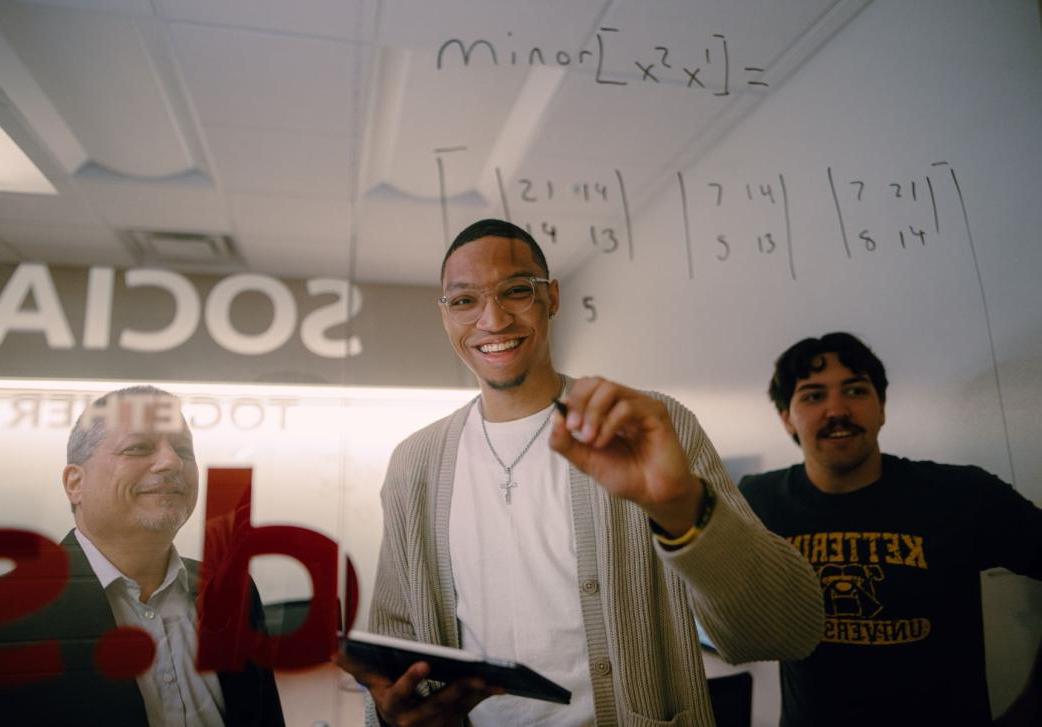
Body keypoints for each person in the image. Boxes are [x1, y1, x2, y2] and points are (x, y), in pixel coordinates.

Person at [338, 218, 823, 726]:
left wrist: (681, 509)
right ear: (445, 316)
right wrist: (391, 713)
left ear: (551, 298)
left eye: (516, 291)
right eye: (464, 301)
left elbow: (787, 631)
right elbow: (395, 648)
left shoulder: (647, 427)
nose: (492, 319)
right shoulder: (415, 462)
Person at [738, 332, 1042, 727]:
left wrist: (1032, 705)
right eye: (813, 396)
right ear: (786, 418)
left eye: (855, 390)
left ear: (881, 407)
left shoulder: (962, 494)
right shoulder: (756, 501)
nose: (837, 410)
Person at [0, 385, 285, 726]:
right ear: (75, 483)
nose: (172, 461)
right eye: (138, 447)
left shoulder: (233, 594)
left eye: (184, 450)